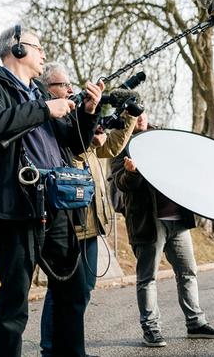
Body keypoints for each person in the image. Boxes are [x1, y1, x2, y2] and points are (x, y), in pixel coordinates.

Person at [0, 25, 104, 357]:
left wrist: (88, 112)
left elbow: (77, 143)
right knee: (15, 300)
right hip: (16, 208)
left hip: (56, 206)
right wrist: (46, 110)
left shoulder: (40, 95)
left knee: (72, 292)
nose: (43, 52)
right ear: (16, 49)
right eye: (38, 46)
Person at [110, 113, 214, 347]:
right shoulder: (121, 142)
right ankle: (151, 329)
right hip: (148, 221)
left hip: (177, 218)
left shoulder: (165, 136)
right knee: (147, 278)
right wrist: (131, 173)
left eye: (140, 113)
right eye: (131, 116)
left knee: (188, 272)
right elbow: (120, 183)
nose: (138, 118)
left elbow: (196, 164)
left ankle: (196, 323)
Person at [37, 62, 137, 357]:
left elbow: (112, 147)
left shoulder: (80, 122)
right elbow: (76, 147)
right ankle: (50, 348)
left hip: (93, 224)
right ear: (47, 89)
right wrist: (89, 123)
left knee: (83, 289)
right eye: (63, 85)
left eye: (70, 85)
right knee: (63, 291)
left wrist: (129, 116)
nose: (70, 90)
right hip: (69, 223)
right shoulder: (57, 123)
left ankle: (70, 345)